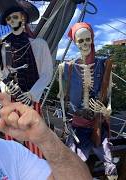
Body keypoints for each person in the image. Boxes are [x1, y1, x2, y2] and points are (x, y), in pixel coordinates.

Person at [0, 0, 53, 156]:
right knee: (11, 140)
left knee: (35, 140)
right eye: (9, 19)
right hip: (11, 98)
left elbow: (47, 73)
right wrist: (7, 88)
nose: (12, 21)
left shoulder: (39, 44)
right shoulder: (0, 45)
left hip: (32, 100)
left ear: (23, 18)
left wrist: (31, 94)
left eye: (15, 17)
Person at [57, 22, 117, 179]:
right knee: (72, 163)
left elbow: (109, 99)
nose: (85, 44)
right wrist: (64, 120)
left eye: (87, 39)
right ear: (75, 43)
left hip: (98, 125)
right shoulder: (66, 68)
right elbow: (62, 98)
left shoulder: (104, 65)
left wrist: (106, 110)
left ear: (92, 39)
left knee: (110, 167)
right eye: (80, 41)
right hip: (77, 125)